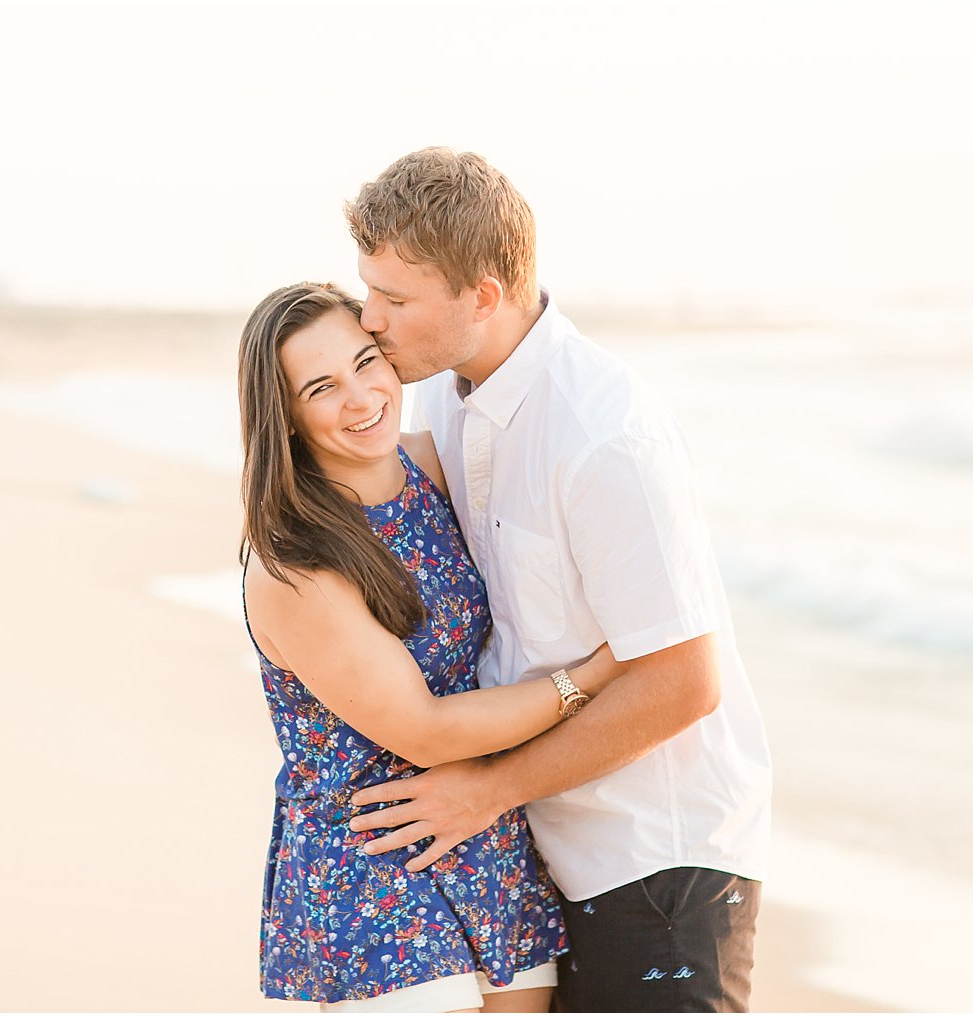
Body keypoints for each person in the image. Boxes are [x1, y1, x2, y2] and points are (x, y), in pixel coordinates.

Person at [341, 148, 773, 1013]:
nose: (370, 318)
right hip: (543, 850)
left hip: (657, 864)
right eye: (368, 290)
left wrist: (487, 790)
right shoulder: (446, 398)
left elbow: (684, 682)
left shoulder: (604, 436)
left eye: (394, 298)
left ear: (485, 296)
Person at [238, 281, 629, 1013]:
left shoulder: (432, 467)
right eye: (322, 387)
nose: (361, 399)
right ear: (284, 417)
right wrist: (599, 672)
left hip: (486, 835)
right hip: (373, 855)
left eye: (366, 362)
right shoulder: (295, 561)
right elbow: (425, 727)